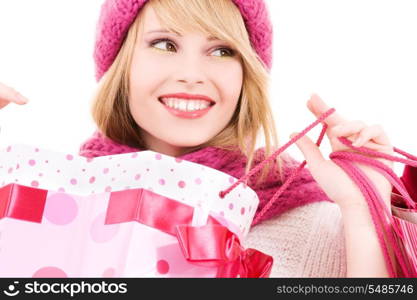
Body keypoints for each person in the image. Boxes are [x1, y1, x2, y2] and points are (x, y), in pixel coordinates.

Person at [0, 0, 397, 277]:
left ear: (247, 75)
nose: (192, 73)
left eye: (222, 50)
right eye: (164, 44)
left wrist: (365, 217)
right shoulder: (45, 205)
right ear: (122, 63)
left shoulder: (318, 225)